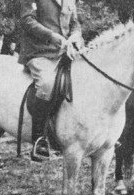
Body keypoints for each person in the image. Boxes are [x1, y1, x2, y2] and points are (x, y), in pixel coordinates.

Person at [18, 0, 84, 159]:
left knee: (87, 77)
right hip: (40, 52)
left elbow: (74, 22)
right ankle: (39, 139)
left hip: (65, 52)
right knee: (47, 84)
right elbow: (27, 20)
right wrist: (52, 36)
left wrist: (75, 35)